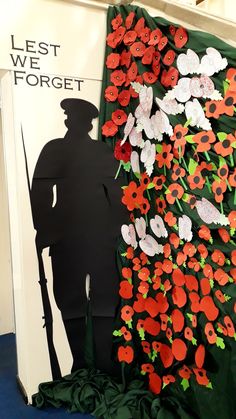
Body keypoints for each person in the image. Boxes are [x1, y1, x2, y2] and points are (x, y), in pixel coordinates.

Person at [31, 98, 126, 374]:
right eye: (72, 117)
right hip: (67, 237)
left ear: (86, 123)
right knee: (69, 299)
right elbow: (40, 194)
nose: (74, 122)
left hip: (96, 237)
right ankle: (80, 362)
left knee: (105, 298)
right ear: (68, 121)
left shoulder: (102, 152)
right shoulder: (54, 150)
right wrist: (46, 230)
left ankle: (103, 363)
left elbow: (117, 198)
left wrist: (112, 233)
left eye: (78, 119)